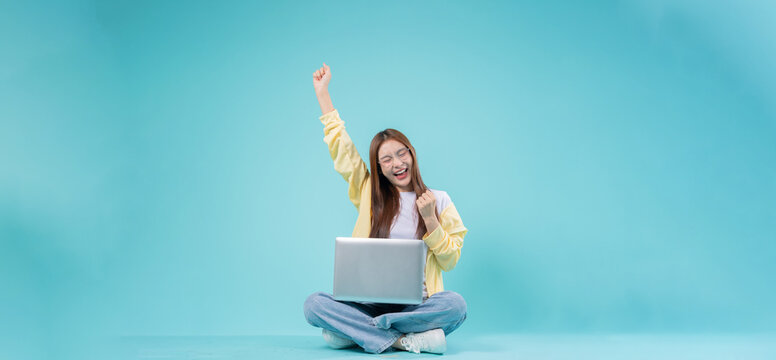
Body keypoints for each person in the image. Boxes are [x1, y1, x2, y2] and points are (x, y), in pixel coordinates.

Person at [303, 63, 468, 354]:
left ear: (412, 154)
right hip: (367, 302)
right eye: (387, 159)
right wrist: (323, 95)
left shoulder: (440, 200)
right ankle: (402, 340)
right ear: (379, 168)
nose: (397, 163)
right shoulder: (370, 193)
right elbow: (342, 150)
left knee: (455, 306)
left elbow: (450, 260)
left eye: (401, 153)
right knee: (314, 304)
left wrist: (430, 220)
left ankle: (360, 332)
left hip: (417, 303)